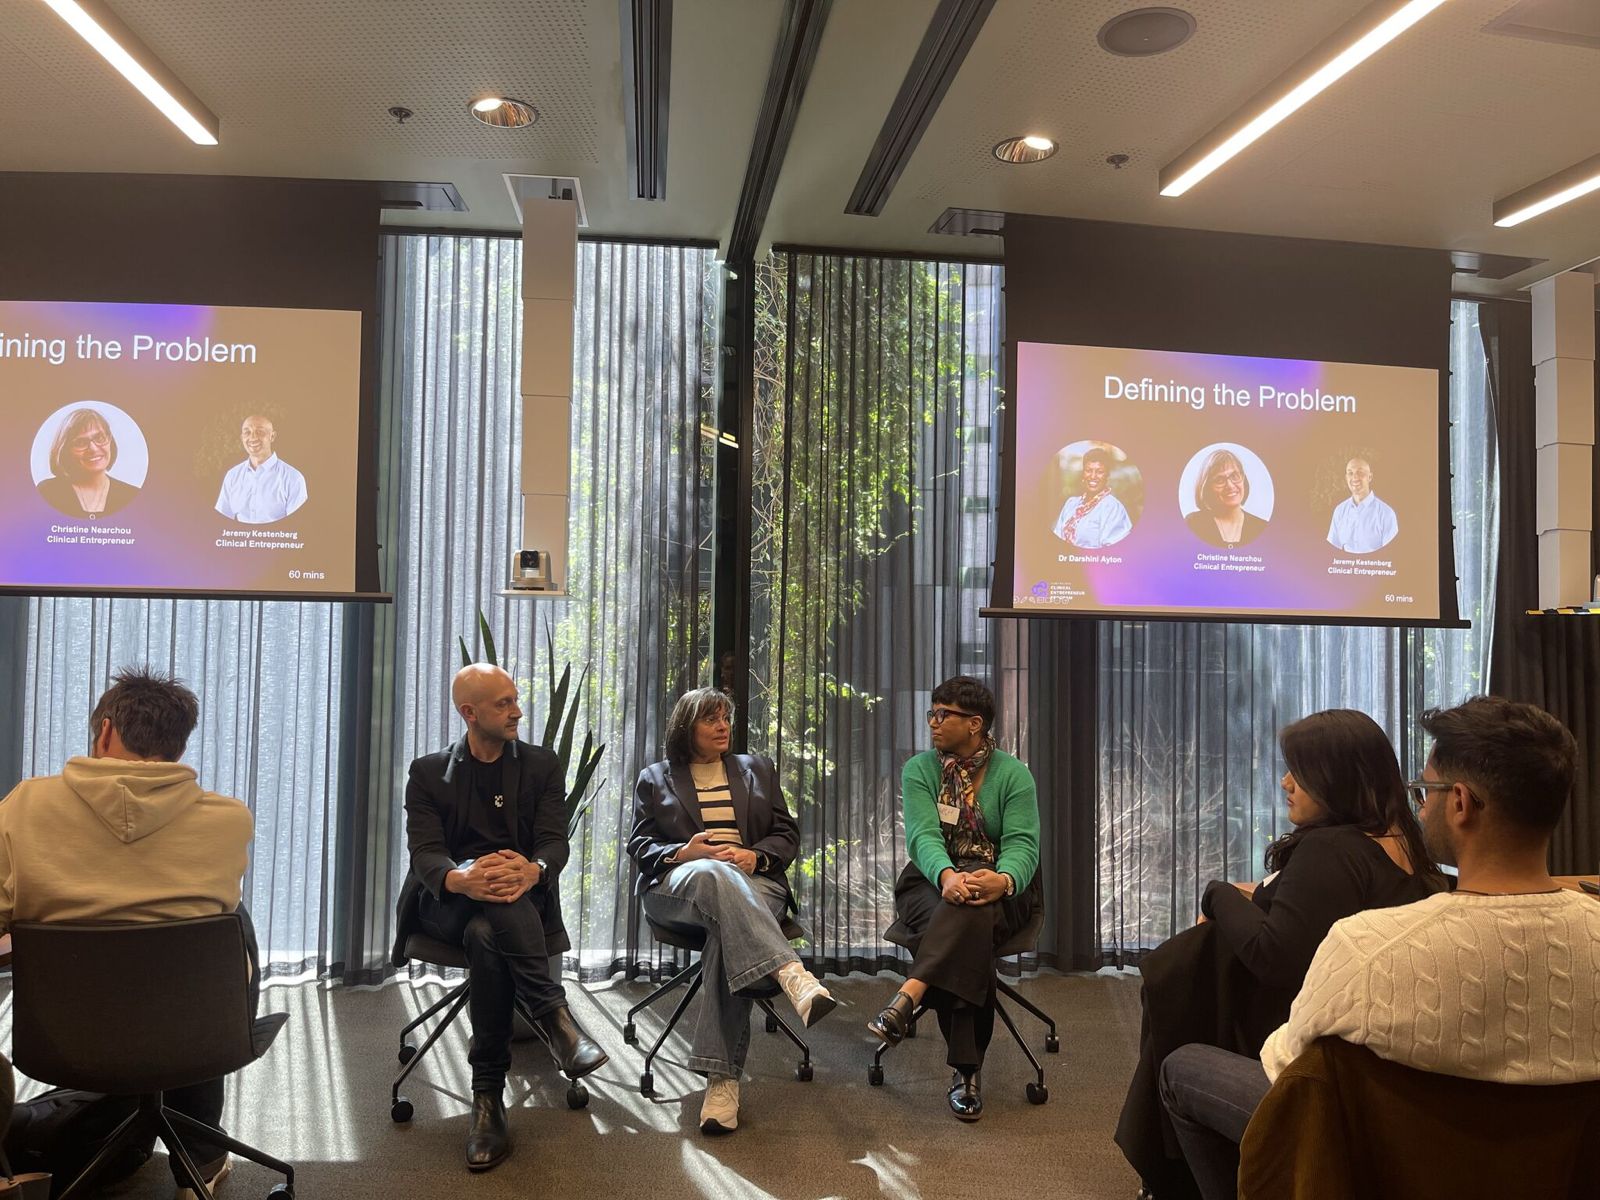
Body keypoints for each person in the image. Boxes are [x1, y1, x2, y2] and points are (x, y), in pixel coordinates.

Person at [1158, 697, 1600, 1200]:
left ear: (1459, 802)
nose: (1419, 804)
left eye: (1424, 790)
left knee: (1185, 1066)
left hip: (1396, 1170)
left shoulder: (1367, 946)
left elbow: (1289, 1077)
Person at [1115, 708, 1441, 1198]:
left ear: (1337, 778)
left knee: (1178, 1066)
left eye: (1301, 772)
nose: (1287, 782)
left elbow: (1275, 956)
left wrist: (1219, 895)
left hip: (1307, 1066)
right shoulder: (1406, 848)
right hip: (1376, 1069)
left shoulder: (1332, 850)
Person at [0, 667, 254, 1200]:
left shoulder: (23, 807)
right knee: (219, 934)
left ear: (106, 730)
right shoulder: (229, 819)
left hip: (65, 1037)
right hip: (193, 1036)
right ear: (179, 746)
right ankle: (201, 1160)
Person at [403, 663, 607, 1172]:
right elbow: (426, 853)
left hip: (519, 900)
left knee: (487, 932)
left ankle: (487, 1100)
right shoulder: (429, 773)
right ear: (468, 713)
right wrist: (461, 879)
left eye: (516, 699)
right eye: (503, 704)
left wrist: (532, 870)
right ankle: (556, 1020)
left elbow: (553, 841)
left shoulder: (540, 766)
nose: (517, 711)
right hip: (447, 903)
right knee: (482, 915)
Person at [629, 688, 835, 1135]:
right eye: (711, 720)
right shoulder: (656, 777)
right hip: (681, 885)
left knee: (728, 927)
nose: (724, 726)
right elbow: (639, 845)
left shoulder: (756, 769)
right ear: (687, 728)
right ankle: (790, 973)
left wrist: (754, 858)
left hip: (757, 883)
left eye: (726, 717)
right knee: (713, 873)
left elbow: (785, 833)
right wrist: (684, 852)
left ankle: (721, 1082)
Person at [867, 675, 1040, 1122]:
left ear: (975, 724)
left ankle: (909, 994)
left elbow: (1023, 844)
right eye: (933, 712)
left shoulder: (1013, 774)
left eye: (945, 715)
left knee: (973, 915)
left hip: (1002, 883)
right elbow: (923, 836)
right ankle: (967, 1073)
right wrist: (946, 876)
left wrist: (1003, 881)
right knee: (966, 922)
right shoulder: (920, 769)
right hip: (930, 879)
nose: (934, 722)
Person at [35, 407, 140, 519]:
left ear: (110, 440)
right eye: (80, 442)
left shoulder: (131, 495)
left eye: (99, 438)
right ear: (65, 450)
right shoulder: (48, 492)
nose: (93, 449)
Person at [214, 414, 308, 524]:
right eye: (247, 432)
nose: (253, 437)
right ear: (241, 438)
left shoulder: (293, 478)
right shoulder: (232, 476)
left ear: (272, 436)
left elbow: (297, 526)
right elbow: (220, 523)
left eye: (260, 432)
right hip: (240, 541)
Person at [1184, 448, 1267, 549]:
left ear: (1243, 479)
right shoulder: (1194, 523)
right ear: (1207, 487)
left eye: (1234, 476)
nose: (1230, 486)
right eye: (1219, 480)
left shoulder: (1260, 526)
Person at [1052, 447, 1133, 549]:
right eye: (1089, 470)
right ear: (1083, 474)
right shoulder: (1071, 504)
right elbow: (1056, 539)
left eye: (1099, 472)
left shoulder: (1113, 508)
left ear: (1107, 475)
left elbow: (1113, 550)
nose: (1093, 476)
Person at [1325, 456, 1398, 553]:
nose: (1355, 477)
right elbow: (1330, 551)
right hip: (1345, 568)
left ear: (1370, 477)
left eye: (1360, 472)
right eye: (1350, 473)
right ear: (1346, 478)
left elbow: (1391, 554)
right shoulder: (1339, 511)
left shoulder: (1386, 513)